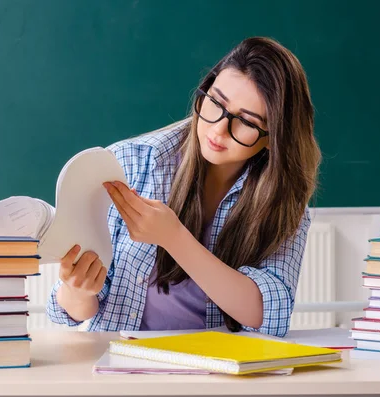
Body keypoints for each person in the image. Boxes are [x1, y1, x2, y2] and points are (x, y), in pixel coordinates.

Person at [46, 36, 321, 337]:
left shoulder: (284, 203)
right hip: (118, 362)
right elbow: (76, 311)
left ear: (273, 139)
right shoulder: (130, 163)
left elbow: (269, 313)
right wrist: (79, 288)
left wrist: (174, 237)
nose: (218, 129)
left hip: (213, 371)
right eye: (216, 102)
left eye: (246, 121)